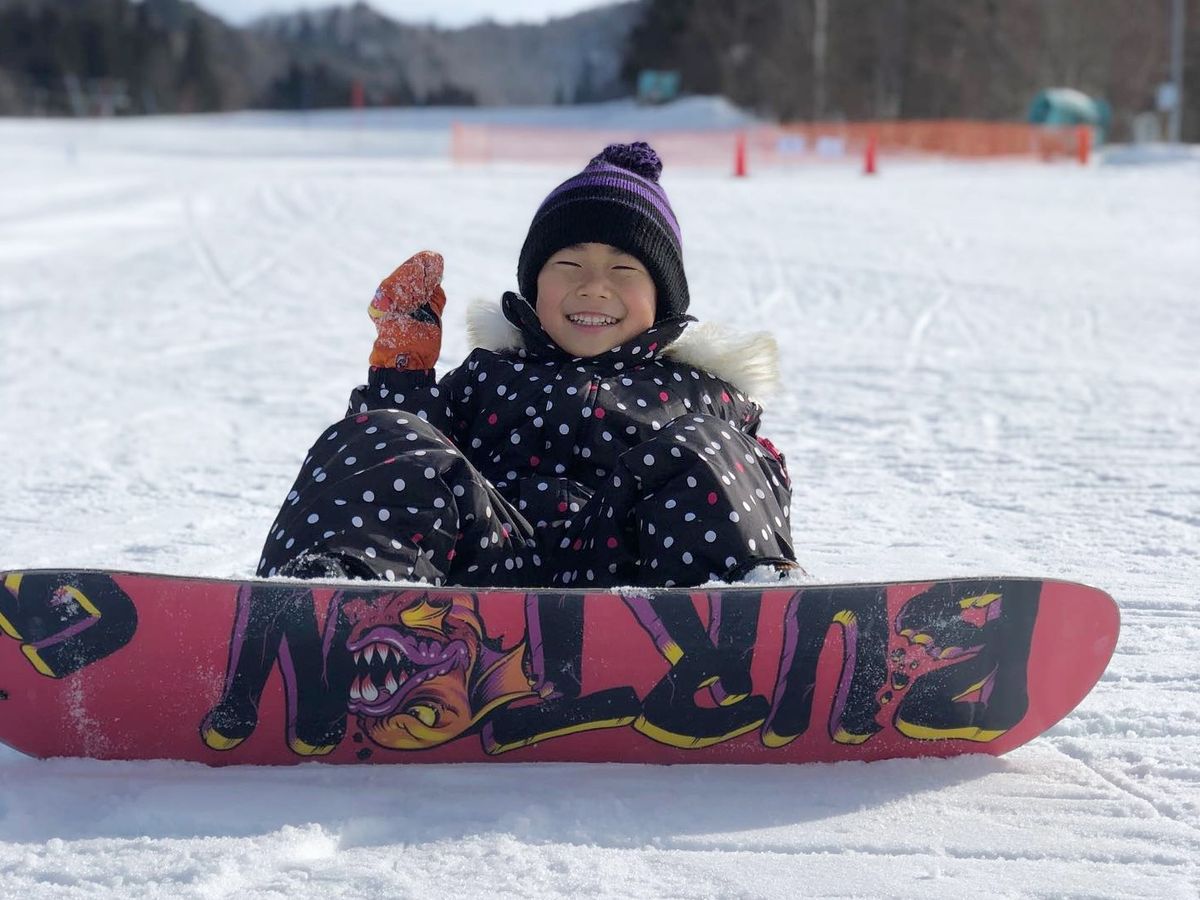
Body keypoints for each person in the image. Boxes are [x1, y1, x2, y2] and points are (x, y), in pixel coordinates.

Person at [258, 142, 797, 588]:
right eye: (568, 264)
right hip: (493, 565)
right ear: (533, 288)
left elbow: (743, 486)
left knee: (711, 451)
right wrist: (403, 374)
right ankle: (333, 602)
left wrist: (756, 467)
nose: (594, 286)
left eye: (624, 269)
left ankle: (748, 617)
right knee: (382, 435)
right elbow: (417, 456)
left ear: (664, 300)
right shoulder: (490, 374)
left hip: (637, 584)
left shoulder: (701, 392)